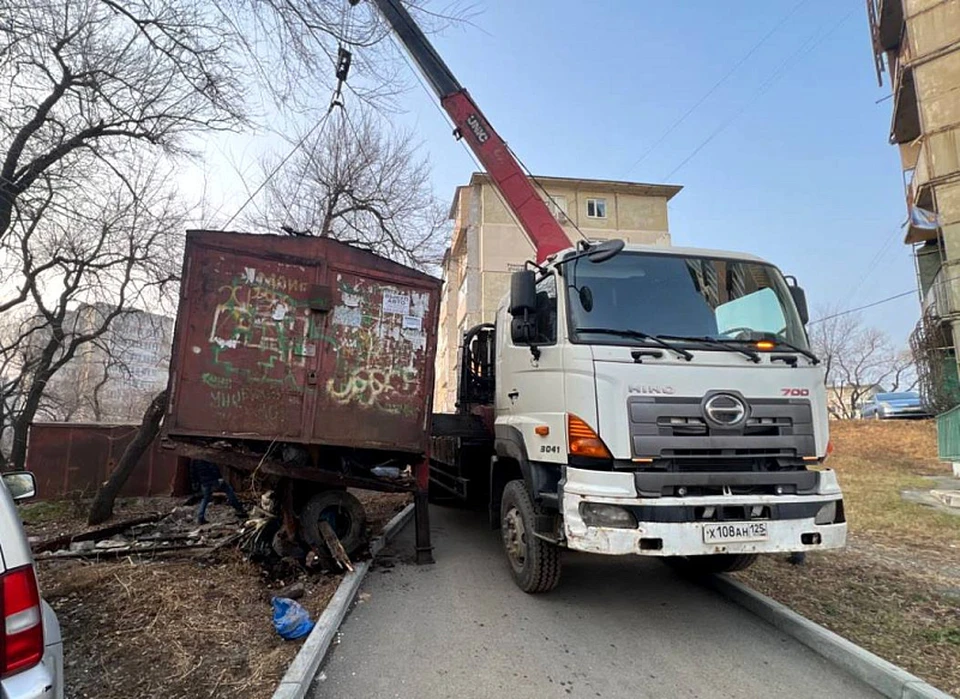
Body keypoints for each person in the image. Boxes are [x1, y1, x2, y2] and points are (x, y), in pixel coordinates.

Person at [192, 459, 246, 524]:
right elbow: (213, 467)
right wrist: (219, 477)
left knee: (205, 498)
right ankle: (239, 509)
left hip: (204, 481)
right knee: (228, 490)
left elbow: (193, 471)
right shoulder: (207, 455)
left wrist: (195, 482)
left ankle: (200, 517)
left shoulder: (195, 459)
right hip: (213, 479)